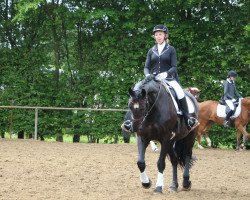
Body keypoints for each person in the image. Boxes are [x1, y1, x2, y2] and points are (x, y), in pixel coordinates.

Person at [121, 24, 197, 132]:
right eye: (156, 35)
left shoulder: (171, 49)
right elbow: (146, 67)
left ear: (165, 36)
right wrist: (147, 75)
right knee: (136, 91)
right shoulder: (151, 50)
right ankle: (129, 121)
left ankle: (188, 119)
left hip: (168, 78)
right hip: (153, 79)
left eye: (160, 34)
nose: (158, 36)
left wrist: (166, 74)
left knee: (180, 92)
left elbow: (174, 67)